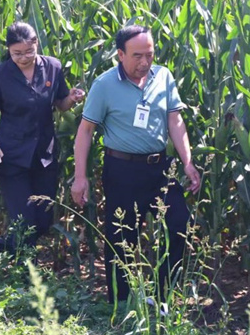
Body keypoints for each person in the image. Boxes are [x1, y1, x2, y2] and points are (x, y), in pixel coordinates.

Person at [71, 25, 201, 304]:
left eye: (150, 55)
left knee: (180, 224)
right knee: (122, 236)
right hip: (122, 171)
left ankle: (162, 297)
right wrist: (80, 177)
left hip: (161, 169)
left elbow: (175, 120)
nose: (144, 62)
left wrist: (187, 162)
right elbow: (85, 131)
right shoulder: (104, 85)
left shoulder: (163, 77)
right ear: (120, 54)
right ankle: (120, 304)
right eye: (137, 56)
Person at [0, 22, 85, 264]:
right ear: (8, 50)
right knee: (25, 222)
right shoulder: (0, 76)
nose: (23, 58)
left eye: (29, 51)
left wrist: (71, 99)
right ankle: (24, 275)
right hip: (12, 157)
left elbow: (60, 104)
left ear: (37, 44)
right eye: (17, 53)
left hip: (44, 156)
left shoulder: (53, 67)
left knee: (43, 222)